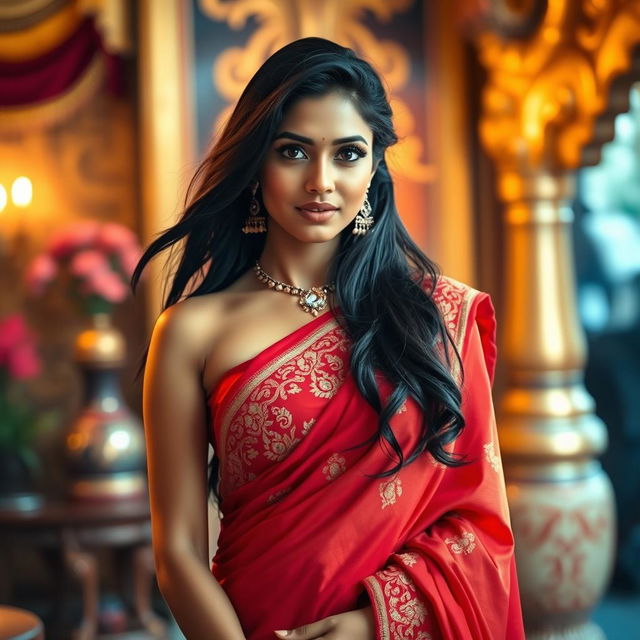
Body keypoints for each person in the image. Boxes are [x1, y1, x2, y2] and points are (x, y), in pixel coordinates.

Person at [132, 37, 525, 640]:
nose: (321, 181)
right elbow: (178, 553)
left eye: (348, 154)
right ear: (256, 162)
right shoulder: (191, 332)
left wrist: (377, 624)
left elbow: (479, 528)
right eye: (293, 151)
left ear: (374, 168)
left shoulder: (434, 319)